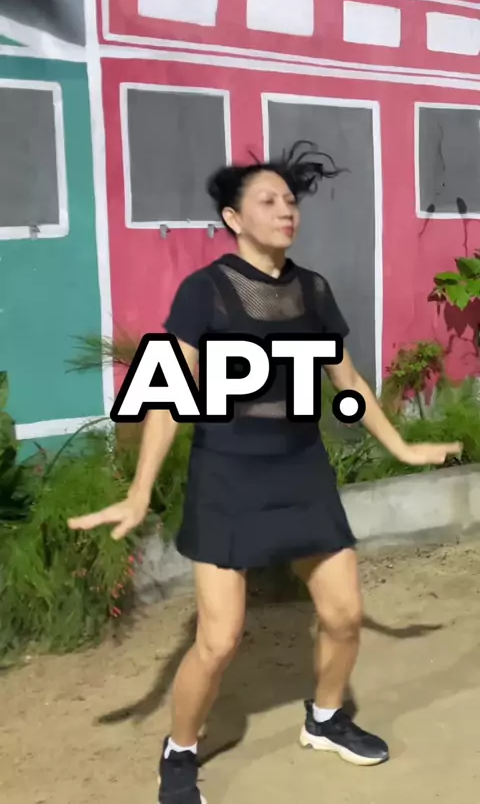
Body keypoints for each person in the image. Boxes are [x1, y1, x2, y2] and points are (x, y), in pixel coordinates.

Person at [68, 141, 462, 804]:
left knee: (345, 614)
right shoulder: (205, 292)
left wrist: (400, 446)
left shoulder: (313, 290)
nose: (286, 211)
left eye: (289, 200)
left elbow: (347, 380)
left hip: (301, 470)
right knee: (219, 640)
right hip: (228, 476)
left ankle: (326, 718)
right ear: (233, 218)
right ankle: (180, 751)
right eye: (268, 201)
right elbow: (167, 393)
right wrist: (139, 493)